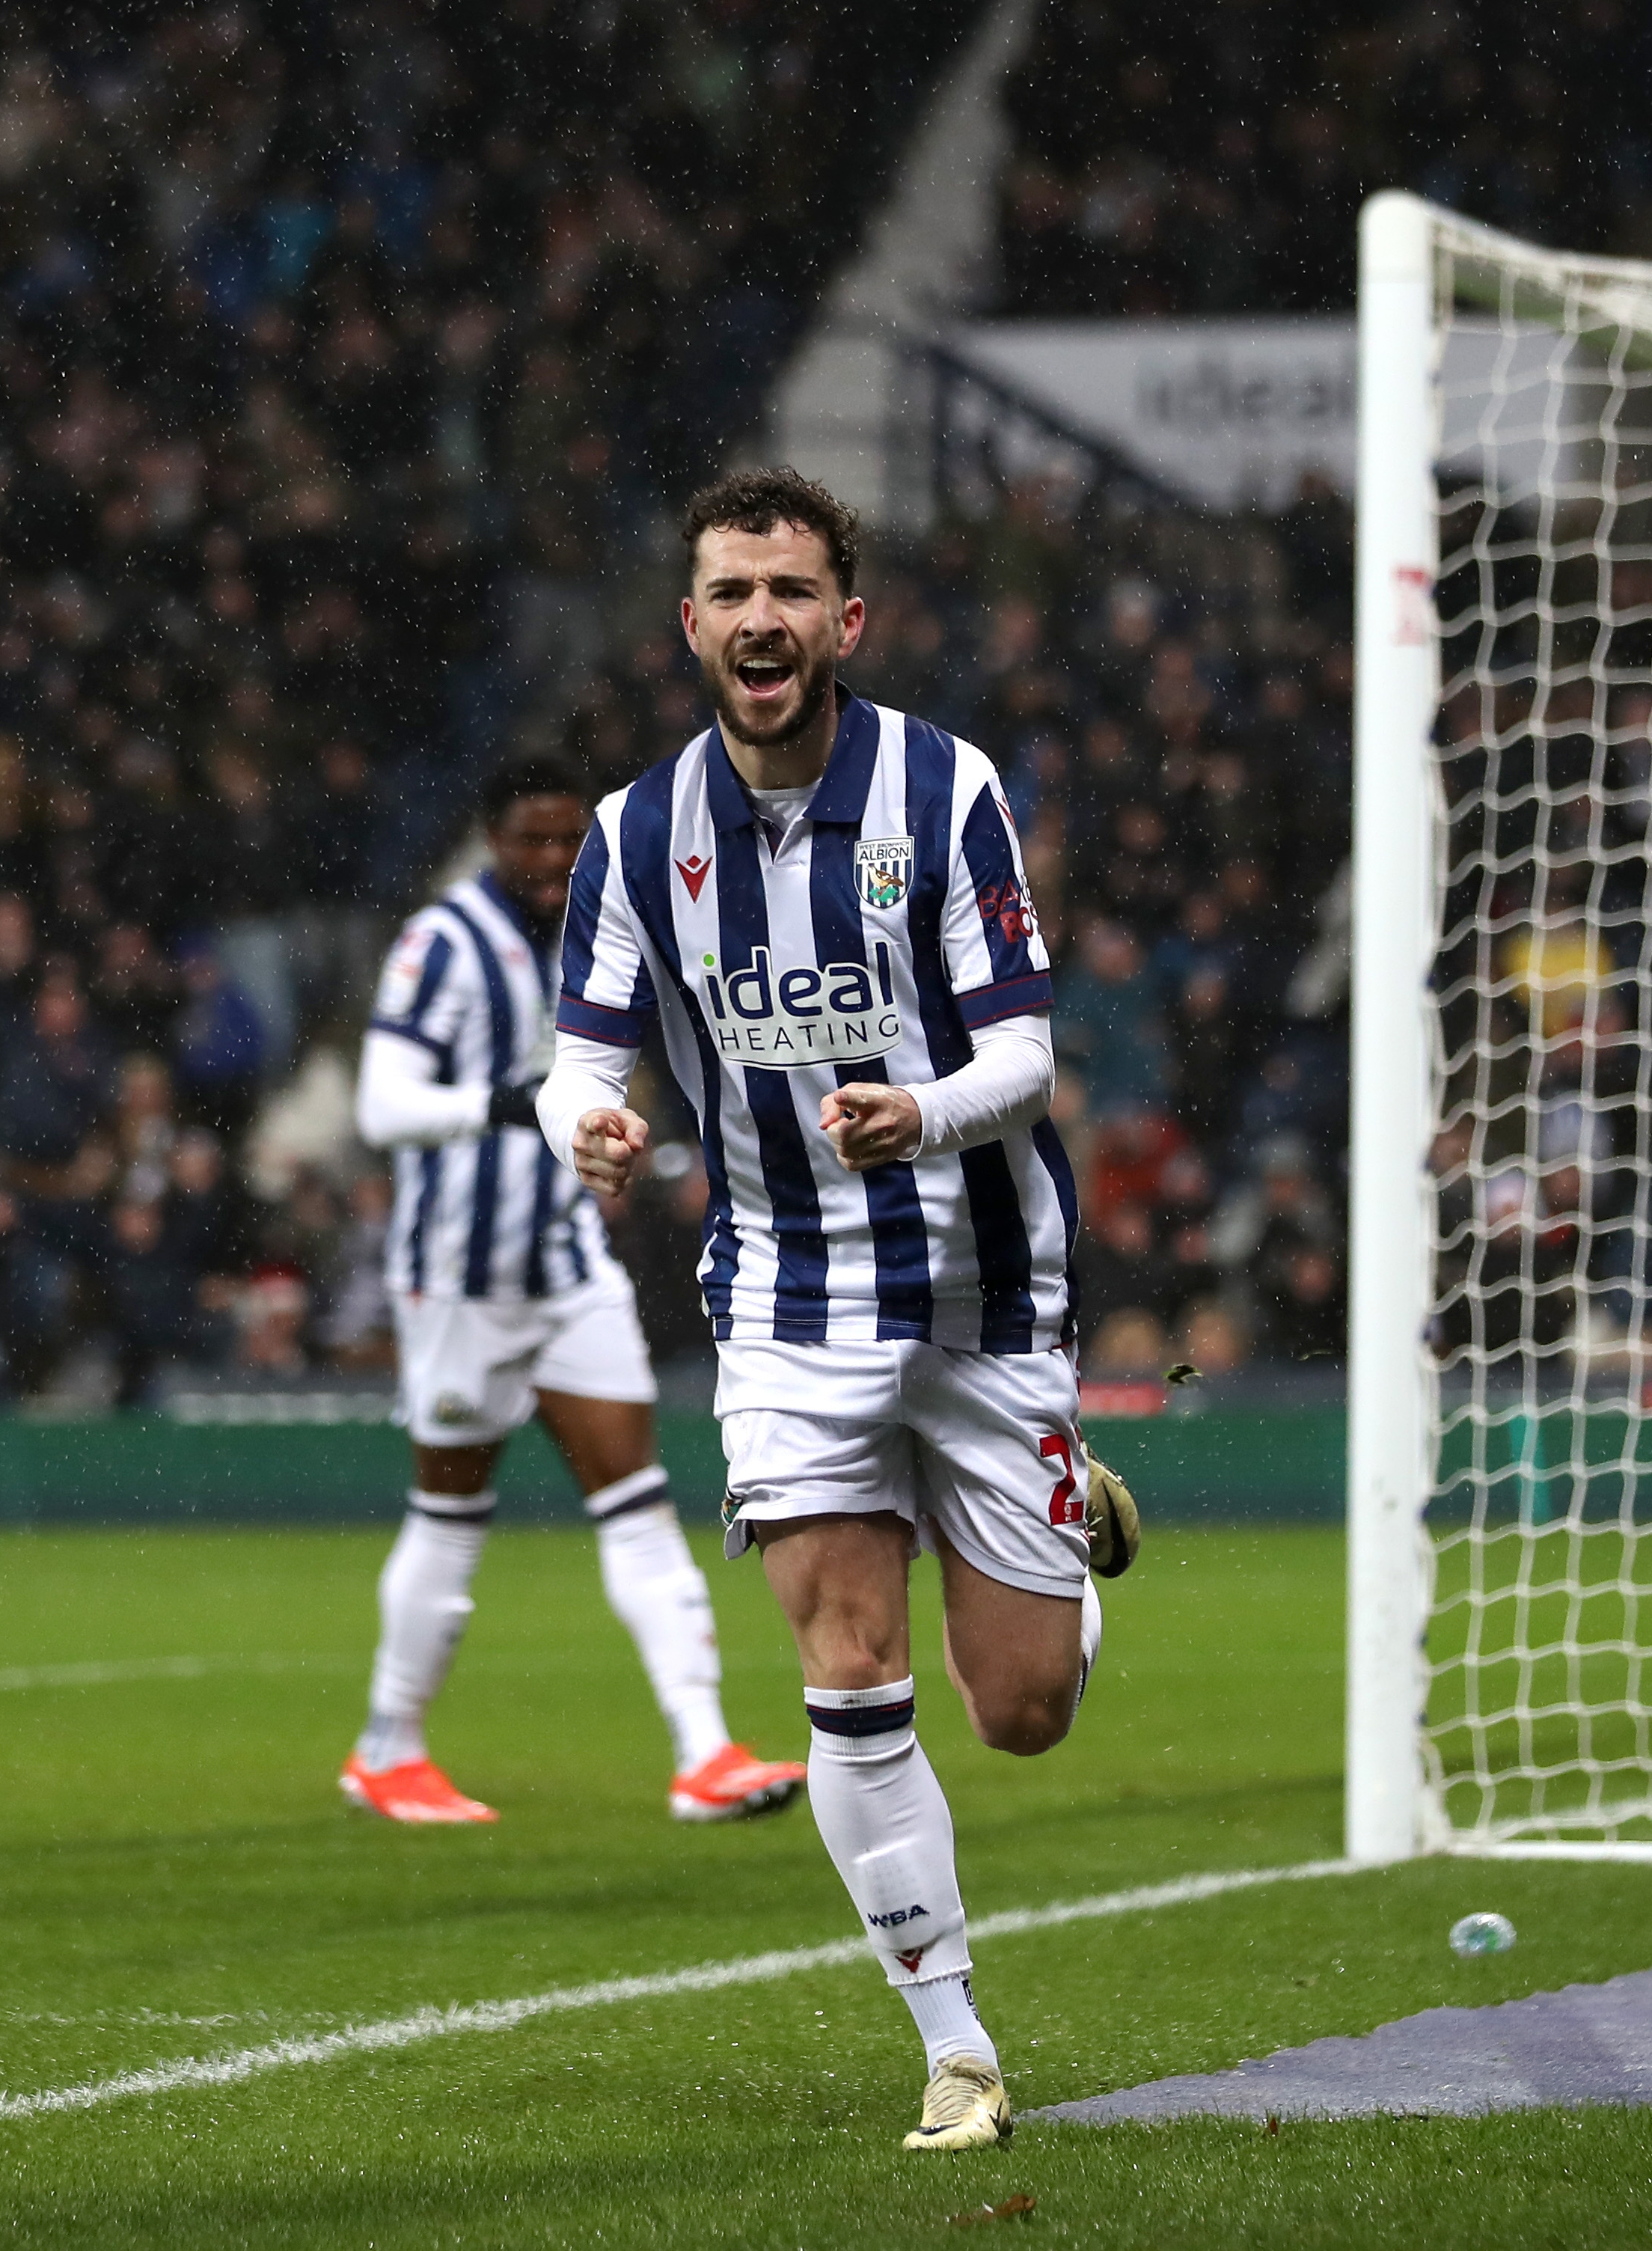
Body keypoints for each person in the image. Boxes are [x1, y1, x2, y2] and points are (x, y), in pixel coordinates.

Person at [539, 468, 1139, 2154]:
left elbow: (1024, 1052)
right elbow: (581, 1056)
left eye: (793, 591)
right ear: (691, 627)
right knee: (847, 1671)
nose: (762, 620)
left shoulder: (944, 794)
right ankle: (956, 2047)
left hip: (979, 1292)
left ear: (845, 621)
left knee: (1015, 1711)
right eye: (732, 592)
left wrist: (920, 1110)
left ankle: (1059, 1553)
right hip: (788, 1304)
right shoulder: (632, 834)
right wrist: (584, 1124)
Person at [343, 754, 806, 1827]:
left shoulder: (600, 921)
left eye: (568, 840)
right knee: (450, 1512)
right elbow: (382, 1103)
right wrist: (516, 1108)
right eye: (532, 840)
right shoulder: (443, 942)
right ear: (491, 841)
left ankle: (705, 1753)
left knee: (638, 1501)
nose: (554, 862)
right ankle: (387, 1747)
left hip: (565, 1265)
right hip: (460, 1276)